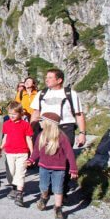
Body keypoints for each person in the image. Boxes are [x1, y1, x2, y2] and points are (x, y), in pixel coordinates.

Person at [30, 68, 86, 199]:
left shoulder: (70, 93)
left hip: (65, 128)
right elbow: (35, 113)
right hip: (46, 128)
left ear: (59, 80)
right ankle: (48, 187)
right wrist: (31, 130)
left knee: (64, 159)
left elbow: (79, 114)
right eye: (46, 77)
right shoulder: (41, 94)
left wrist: (82, 133)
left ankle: (62, 190)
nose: (46, 79)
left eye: (50, 77)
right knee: (45, 157)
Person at [26, 112, 78, 219]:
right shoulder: (41, 135)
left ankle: (58, 208)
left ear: (49, 123)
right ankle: (44, 197)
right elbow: (36, 150)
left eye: (42, 121)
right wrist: (31, 159)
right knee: (43, 187)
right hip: (44, 167)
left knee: (58, 189)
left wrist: (73, 169)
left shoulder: (62, 137)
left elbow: (70, 154)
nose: (40, 123)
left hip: (59, 169)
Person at [0, 101, 34, 207]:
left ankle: (19, 194)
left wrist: (32, 153)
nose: (11, 116)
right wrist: (0, 148)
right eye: (9, 114)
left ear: (20, 113)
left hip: (22, 153)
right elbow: (5, 137)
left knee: (20, 173)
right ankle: (14, 188)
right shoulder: (6, 124)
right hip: (9, 153)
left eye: (14, 114)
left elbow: (29, 139)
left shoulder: (26, 125)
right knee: (11, 173)